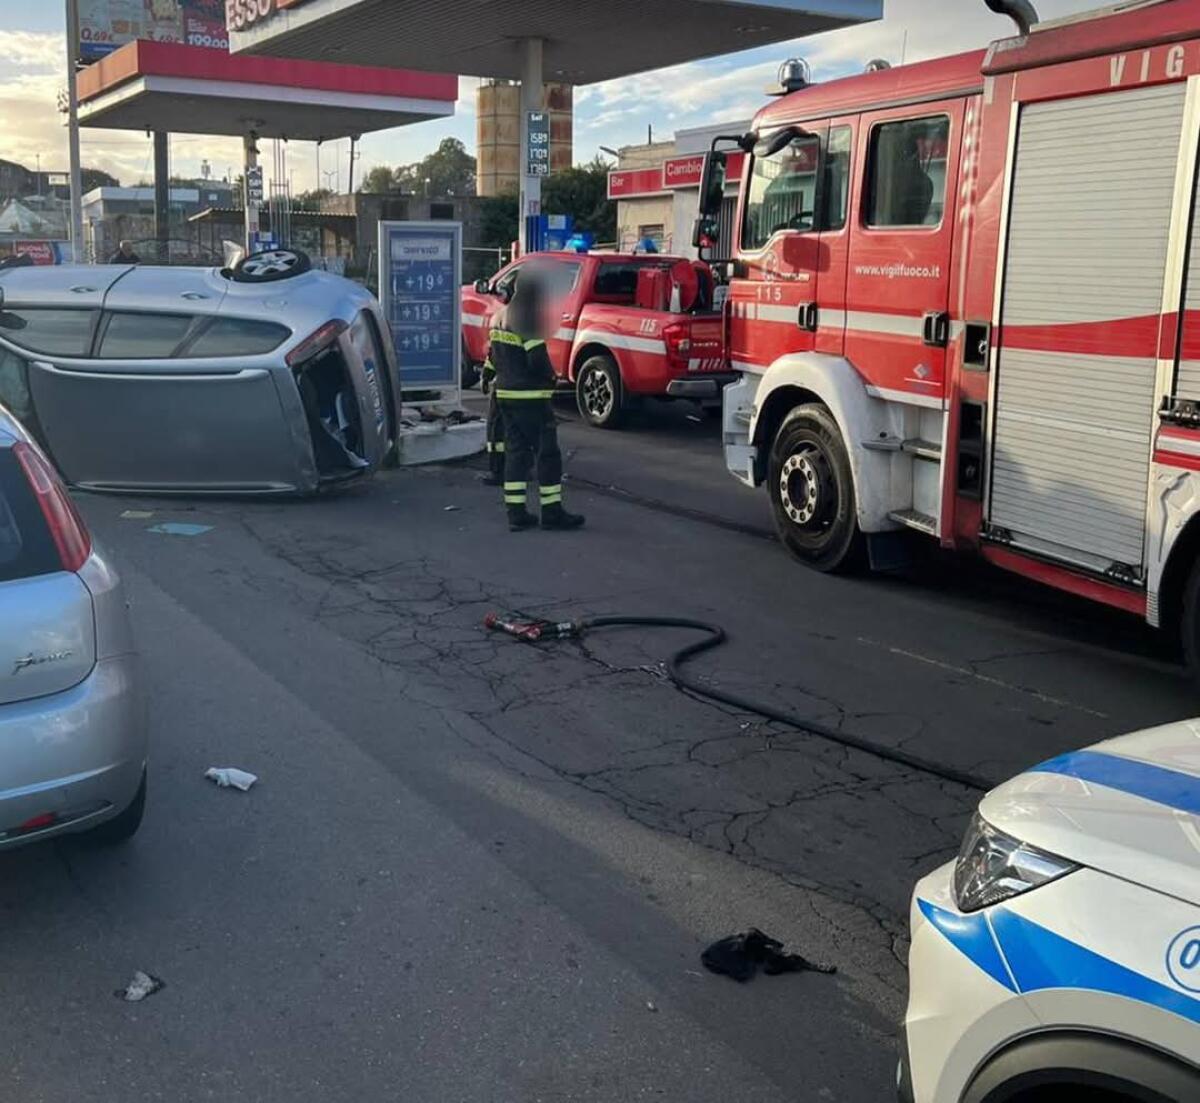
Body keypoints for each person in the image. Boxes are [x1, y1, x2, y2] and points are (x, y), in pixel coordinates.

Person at [489, 270, 584, 532]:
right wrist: (551, 377)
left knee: (516, 454)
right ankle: (552, 512)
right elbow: (537, 360)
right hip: (531, 398)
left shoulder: (498, 317)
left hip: (506, 395)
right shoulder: (528, 318)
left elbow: (495, 357)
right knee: (547, 455)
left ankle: (516, 513)